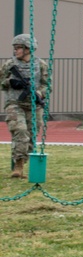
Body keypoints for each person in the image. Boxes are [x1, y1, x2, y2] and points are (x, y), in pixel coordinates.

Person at [1, 33, 48, 179]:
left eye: (18, 48)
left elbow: (47, 85)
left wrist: (39, 94)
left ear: (28, 48)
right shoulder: (10, 65)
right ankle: (18, 166)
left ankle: (24, 161)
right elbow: (1, 81)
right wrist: (10, 82)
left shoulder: (41, 65)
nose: (15, 51)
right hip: (15, 103)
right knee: (20, 131)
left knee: (31, 135)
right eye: (15, 48)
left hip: (33, 105)